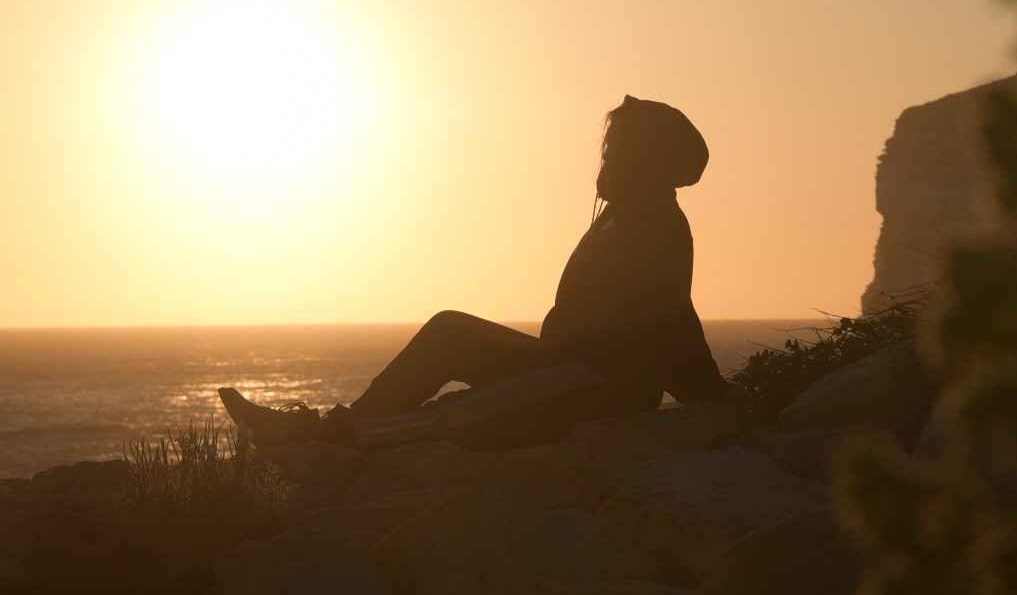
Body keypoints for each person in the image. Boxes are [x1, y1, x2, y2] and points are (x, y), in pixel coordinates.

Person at [220, 96, 731, 437]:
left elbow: (672, 322)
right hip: (569, 369)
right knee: (449, 332)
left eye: (615, 153)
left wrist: (718, 402)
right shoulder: (624, 218)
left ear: (642, 160)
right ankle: (329, 429)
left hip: (595, 385)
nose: (603, 162)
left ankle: (321, 436)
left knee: (452, 372)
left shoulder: (655, 224)